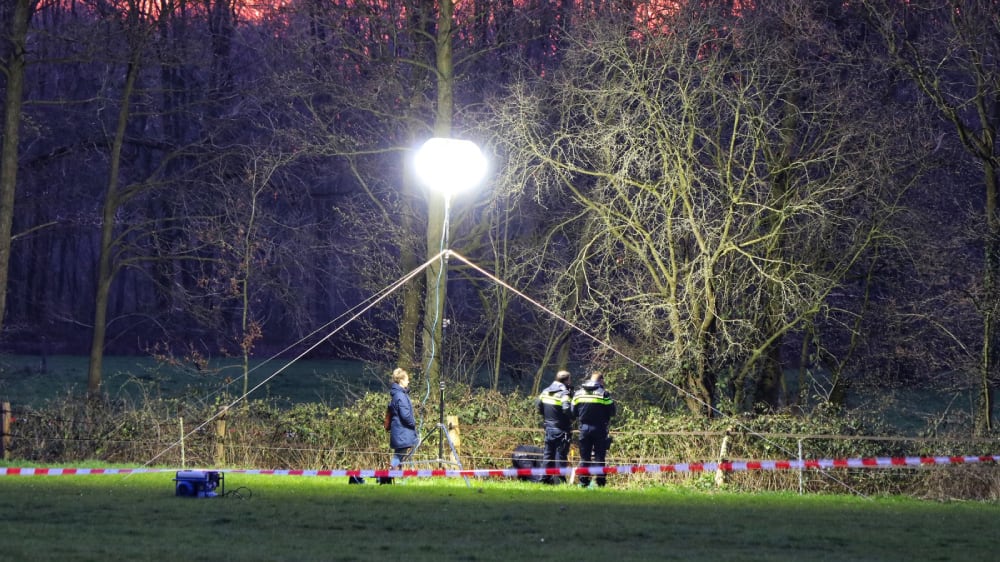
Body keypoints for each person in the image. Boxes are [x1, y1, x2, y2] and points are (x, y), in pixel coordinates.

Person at [572, 371, 616, 488]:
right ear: (601, 381)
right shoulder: (603, 394)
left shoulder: (578, 393)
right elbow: (612, 412)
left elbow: (573, 411)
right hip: (599, 429)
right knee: (599, 457)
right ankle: (599, 483)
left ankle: (583, 482)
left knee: (584, 457)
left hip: (584, 429)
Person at [536, 369, 574, 484]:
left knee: (547, 455)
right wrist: (572, 416)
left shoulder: (545, 391)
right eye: (569, 380)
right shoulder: (564, 394)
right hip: (561, 429)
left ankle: (543, 480)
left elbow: (538, 407)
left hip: (548, 428)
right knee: (560, 456)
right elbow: (567, 408)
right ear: (566, 380)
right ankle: (560, 482)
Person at [386, 367, 418, 482]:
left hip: (400, 431)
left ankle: (395, 477)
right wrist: (413, 423)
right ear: (401, 381)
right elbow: (405, 415)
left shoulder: (398, 394)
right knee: (399, 455)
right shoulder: (400, 396)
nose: (408, 382)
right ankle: (389, 477)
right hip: (402, 431)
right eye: (407, 379)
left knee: (400, 454)